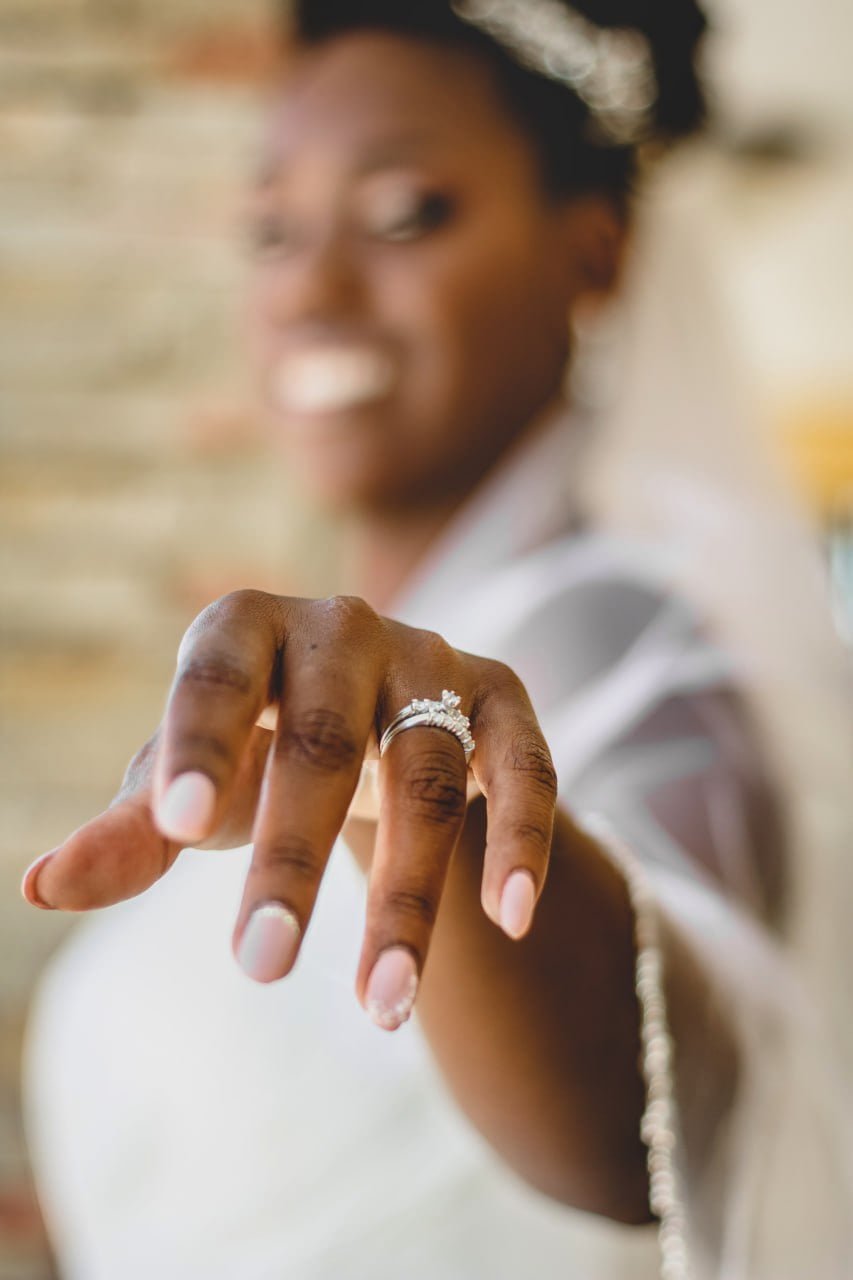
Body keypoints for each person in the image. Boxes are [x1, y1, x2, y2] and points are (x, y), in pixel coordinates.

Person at [19, 2, 853, 1278]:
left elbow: (665, 1109)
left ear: (595, 247)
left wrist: (447, 812)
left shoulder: (622, 630)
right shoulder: (301, 702)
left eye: (403, 211)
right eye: (270, 228)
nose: (308, 280)